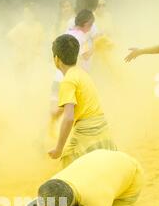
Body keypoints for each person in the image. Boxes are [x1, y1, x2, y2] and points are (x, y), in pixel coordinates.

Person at [49, 34, 116, 167]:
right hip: (103, 130)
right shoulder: (82, 73)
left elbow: (68, 118)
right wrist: (56, 114)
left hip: (87, 133)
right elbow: (74, 102)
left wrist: (58, 149)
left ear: (56, 59)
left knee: (68, 164)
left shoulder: (67, 81)